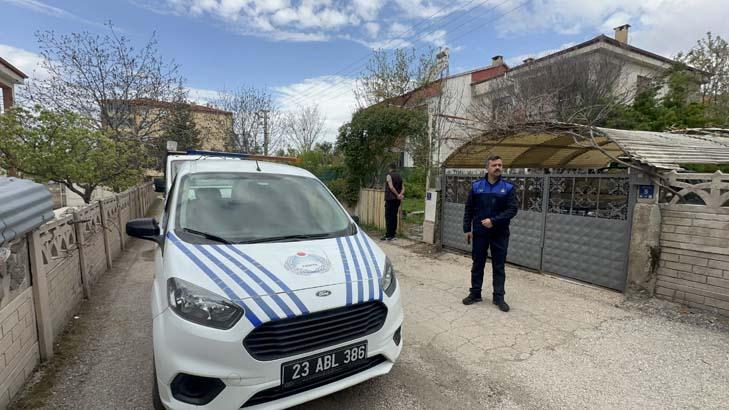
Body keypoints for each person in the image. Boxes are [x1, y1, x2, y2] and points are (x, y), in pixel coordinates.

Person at [462, 155, 518, 312]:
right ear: (487, 167)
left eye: (500, 165)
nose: (498, 167)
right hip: (480, 232)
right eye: (494, 165)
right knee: (477, 264)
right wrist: (467, 229)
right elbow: (469, 208)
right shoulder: (476, 186)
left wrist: (494, 221)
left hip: (500, 233)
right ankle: (475, 293)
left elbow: (512, 210)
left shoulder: (508, 188)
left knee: (499, 266)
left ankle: (499, 297)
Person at [381, 163, 404, 241]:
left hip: (390, 199)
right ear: (395, 168)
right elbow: (403, 188)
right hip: (397, 200)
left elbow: (391, 187)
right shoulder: (399, 176)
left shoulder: (389, 175)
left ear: (390, 168)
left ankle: (388, 235)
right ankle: (393, 235)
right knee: (394, 216)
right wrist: (400, 195)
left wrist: (397, 194)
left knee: (388, 217)